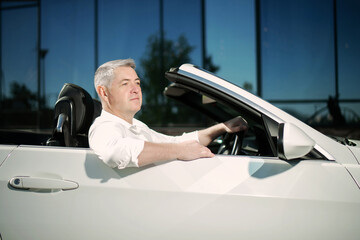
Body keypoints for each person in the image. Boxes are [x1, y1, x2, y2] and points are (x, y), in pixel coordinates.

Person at [89, 59, 247, 169]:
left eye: (137, 82)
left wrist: (220, 128)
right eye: (125, 83)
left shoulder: (137, 126)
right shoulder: (103, 127)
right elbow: (115, 152)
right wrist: (179, 151)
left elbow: (176, 142)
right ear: (103, 92)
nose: (136, 89)